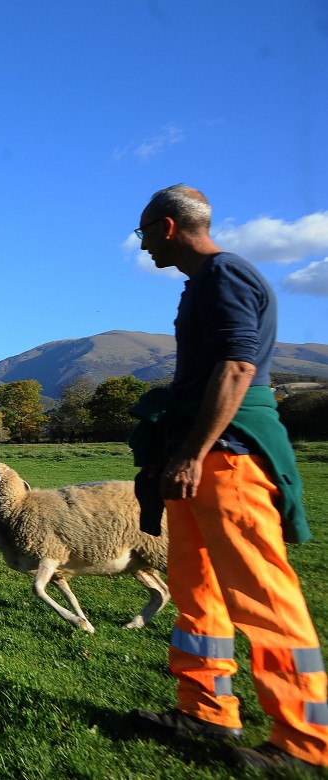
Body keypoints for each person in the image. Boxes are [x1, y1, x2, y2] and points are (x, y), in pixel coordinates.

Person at [126, 184, 326, 773]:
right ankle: (206, 709)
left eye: (143, 235)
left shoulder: (226, 276)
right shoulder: (201, 286)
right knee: (197, 588)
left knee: (262, 595)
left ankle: (305, 741)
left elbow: (238, 366)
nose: (142, 248)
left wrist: (193, 453)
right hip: (196, 462)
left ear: (167, 227)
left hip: (227, 459)